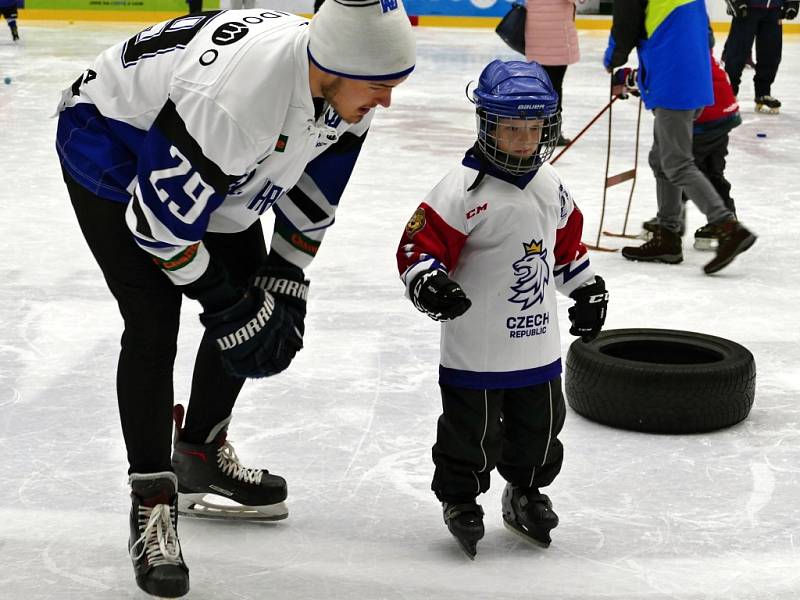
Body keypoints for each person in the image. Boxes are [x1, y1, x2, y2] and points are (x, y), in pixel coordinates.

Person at [55, 2, 415, 597]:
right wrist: (225, 302)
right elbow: (157, 227)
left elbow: (315, 182)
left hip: (206, 144)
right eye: (380, 87)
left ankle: (197, 452)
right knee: (153, 322)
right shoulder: (236, 101)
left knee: (255, 296)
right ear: (332, 67)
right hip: (112, 138)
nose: (387, 101)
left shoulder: (346, 73)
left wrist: (285, 275)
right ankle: (152, 500)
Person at [395, 59, 609, 558]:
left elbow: (566, 252)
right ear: (487, 125)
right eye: (511, 129)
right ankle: (461, 498)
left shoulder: (550, 185)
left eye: (534, 129)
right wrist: (429, 283)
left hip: (537, 344)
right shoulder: (460, 189)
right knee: (469, 431)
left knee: (541, 426)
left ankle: (526, 490)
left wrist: (587, 289)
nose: (524, 140)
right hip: (476, 347)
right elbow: (416, 249)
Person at [604, 0, 756, 274]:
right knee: (661, 159)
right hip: (695, 78)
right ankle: (668, 236)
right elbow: (707, 35)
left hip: (672, 79)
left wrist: (612, 60)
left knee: (676, 162)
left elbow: (625, 27)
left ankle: (727, 227)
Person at [635, 38, 743, 250]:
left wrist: (633, 78)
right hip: (724, 109)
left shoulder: (671, 45)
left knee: (680, 166)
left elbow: (666, 73)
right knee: (711, 170)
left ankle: (685, 223)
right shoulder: (693, 39)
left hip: (702, 115)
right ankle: (719, 220)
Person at [722, 0, 798, 114]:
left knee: (771, 54)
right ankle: (729, 93)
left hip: (774, 9)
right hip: (746, 7)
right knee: (737, 53)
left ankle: (763, 92)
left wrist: (792, 2)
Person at [524, 0, 579, 146]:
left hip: (535, 32)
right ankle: (552, 132)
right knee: (555, 86)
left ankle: (535, 131)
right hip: (557, 36)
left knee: (539, 87)